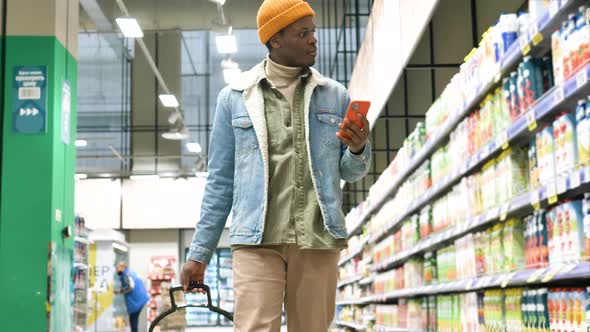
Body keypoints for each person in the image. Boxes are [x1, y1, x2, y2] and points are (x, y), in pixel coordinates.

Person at [182, 0, 372, 330]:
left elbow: (351, 172)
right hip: (257, 242)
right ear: (275, 39)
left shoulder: (334, 96)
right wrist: (199, 252)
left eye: (313, 31)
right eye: (302, 33)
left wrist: (358, 150)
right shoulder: (235, 97)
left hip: (317, 237)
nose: (313, 39)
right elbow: (220, 182)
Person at [114, 261, 150, 332]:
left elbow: (131, 286)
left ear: (123, 267)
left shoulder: (126, 274)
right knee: (134, 320)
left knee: (133, 320)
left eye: (118, 267)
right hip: (141, 299)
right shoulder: (131, 272)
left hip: (136, 301)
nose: (116, 269)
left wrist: (119, 291)